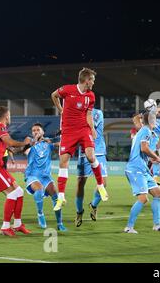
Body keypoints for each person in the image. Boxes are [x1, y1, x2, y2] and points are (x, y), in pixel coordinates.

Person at [50, 67, 108, 211]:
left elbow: (88, 115)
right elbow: (54, 95)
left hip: (83, 129)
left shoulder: (91, 96)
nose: (93, 83)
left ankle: (100, 186)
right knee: (63, 162)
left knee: (90, 155)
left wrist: (92, 129)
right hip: (68, 131)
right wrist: (61, 110)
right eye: (92, 80)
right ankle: (61, 197)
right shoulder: (68, 90)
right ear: (86, 80)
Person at [0, 106, 32, 236]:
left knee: (19, 191)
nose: (10, 117)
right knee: (12, 194)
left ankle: (17, 224)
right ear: (6, 116)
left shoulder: (0, 129)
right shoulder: (0, 127)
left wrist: (27, 145)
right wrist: (23, 142)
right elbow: (11, 142)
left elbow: (13, 148)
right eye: (9, 115)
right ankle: (5, 227)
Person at [124, 111, 160, 234]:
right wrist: (156, 157)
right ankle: (129, 227)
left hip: (142, 169)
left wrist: (150, 158)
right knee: (143, 198)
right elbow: (144, 148)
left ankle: (157, 225)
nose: (156, 121)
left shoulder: (145, 131)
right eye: (155, 119)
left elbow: (144, 150)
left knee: (157, 193)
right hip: (135, 169)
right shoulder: (145, 130)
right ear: (151, 121)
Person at [23, 123, 66, 231]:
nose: (35, 132)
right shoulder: (29, 141)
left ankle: (60, 223)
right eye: (33, 130)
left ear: (43, 132)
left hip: (46, 176)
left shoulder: (47, 142)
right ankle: (40, 214)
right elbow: (26, 151)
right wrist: (35, 141)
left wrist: (63, 137)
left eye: (38, 130)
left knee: (56, 196)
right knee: (39, 189)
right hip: (32, 175)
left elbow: (59, 145)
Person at [75, 109, 108, 227]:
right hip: (83, 154)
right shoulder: (77, 113)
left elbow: (88, 128)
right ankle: (79, 212)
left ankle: (93, 205)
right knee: (80, 185)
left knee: (103, 184)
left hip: (98, 152)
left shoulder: (98, 113)